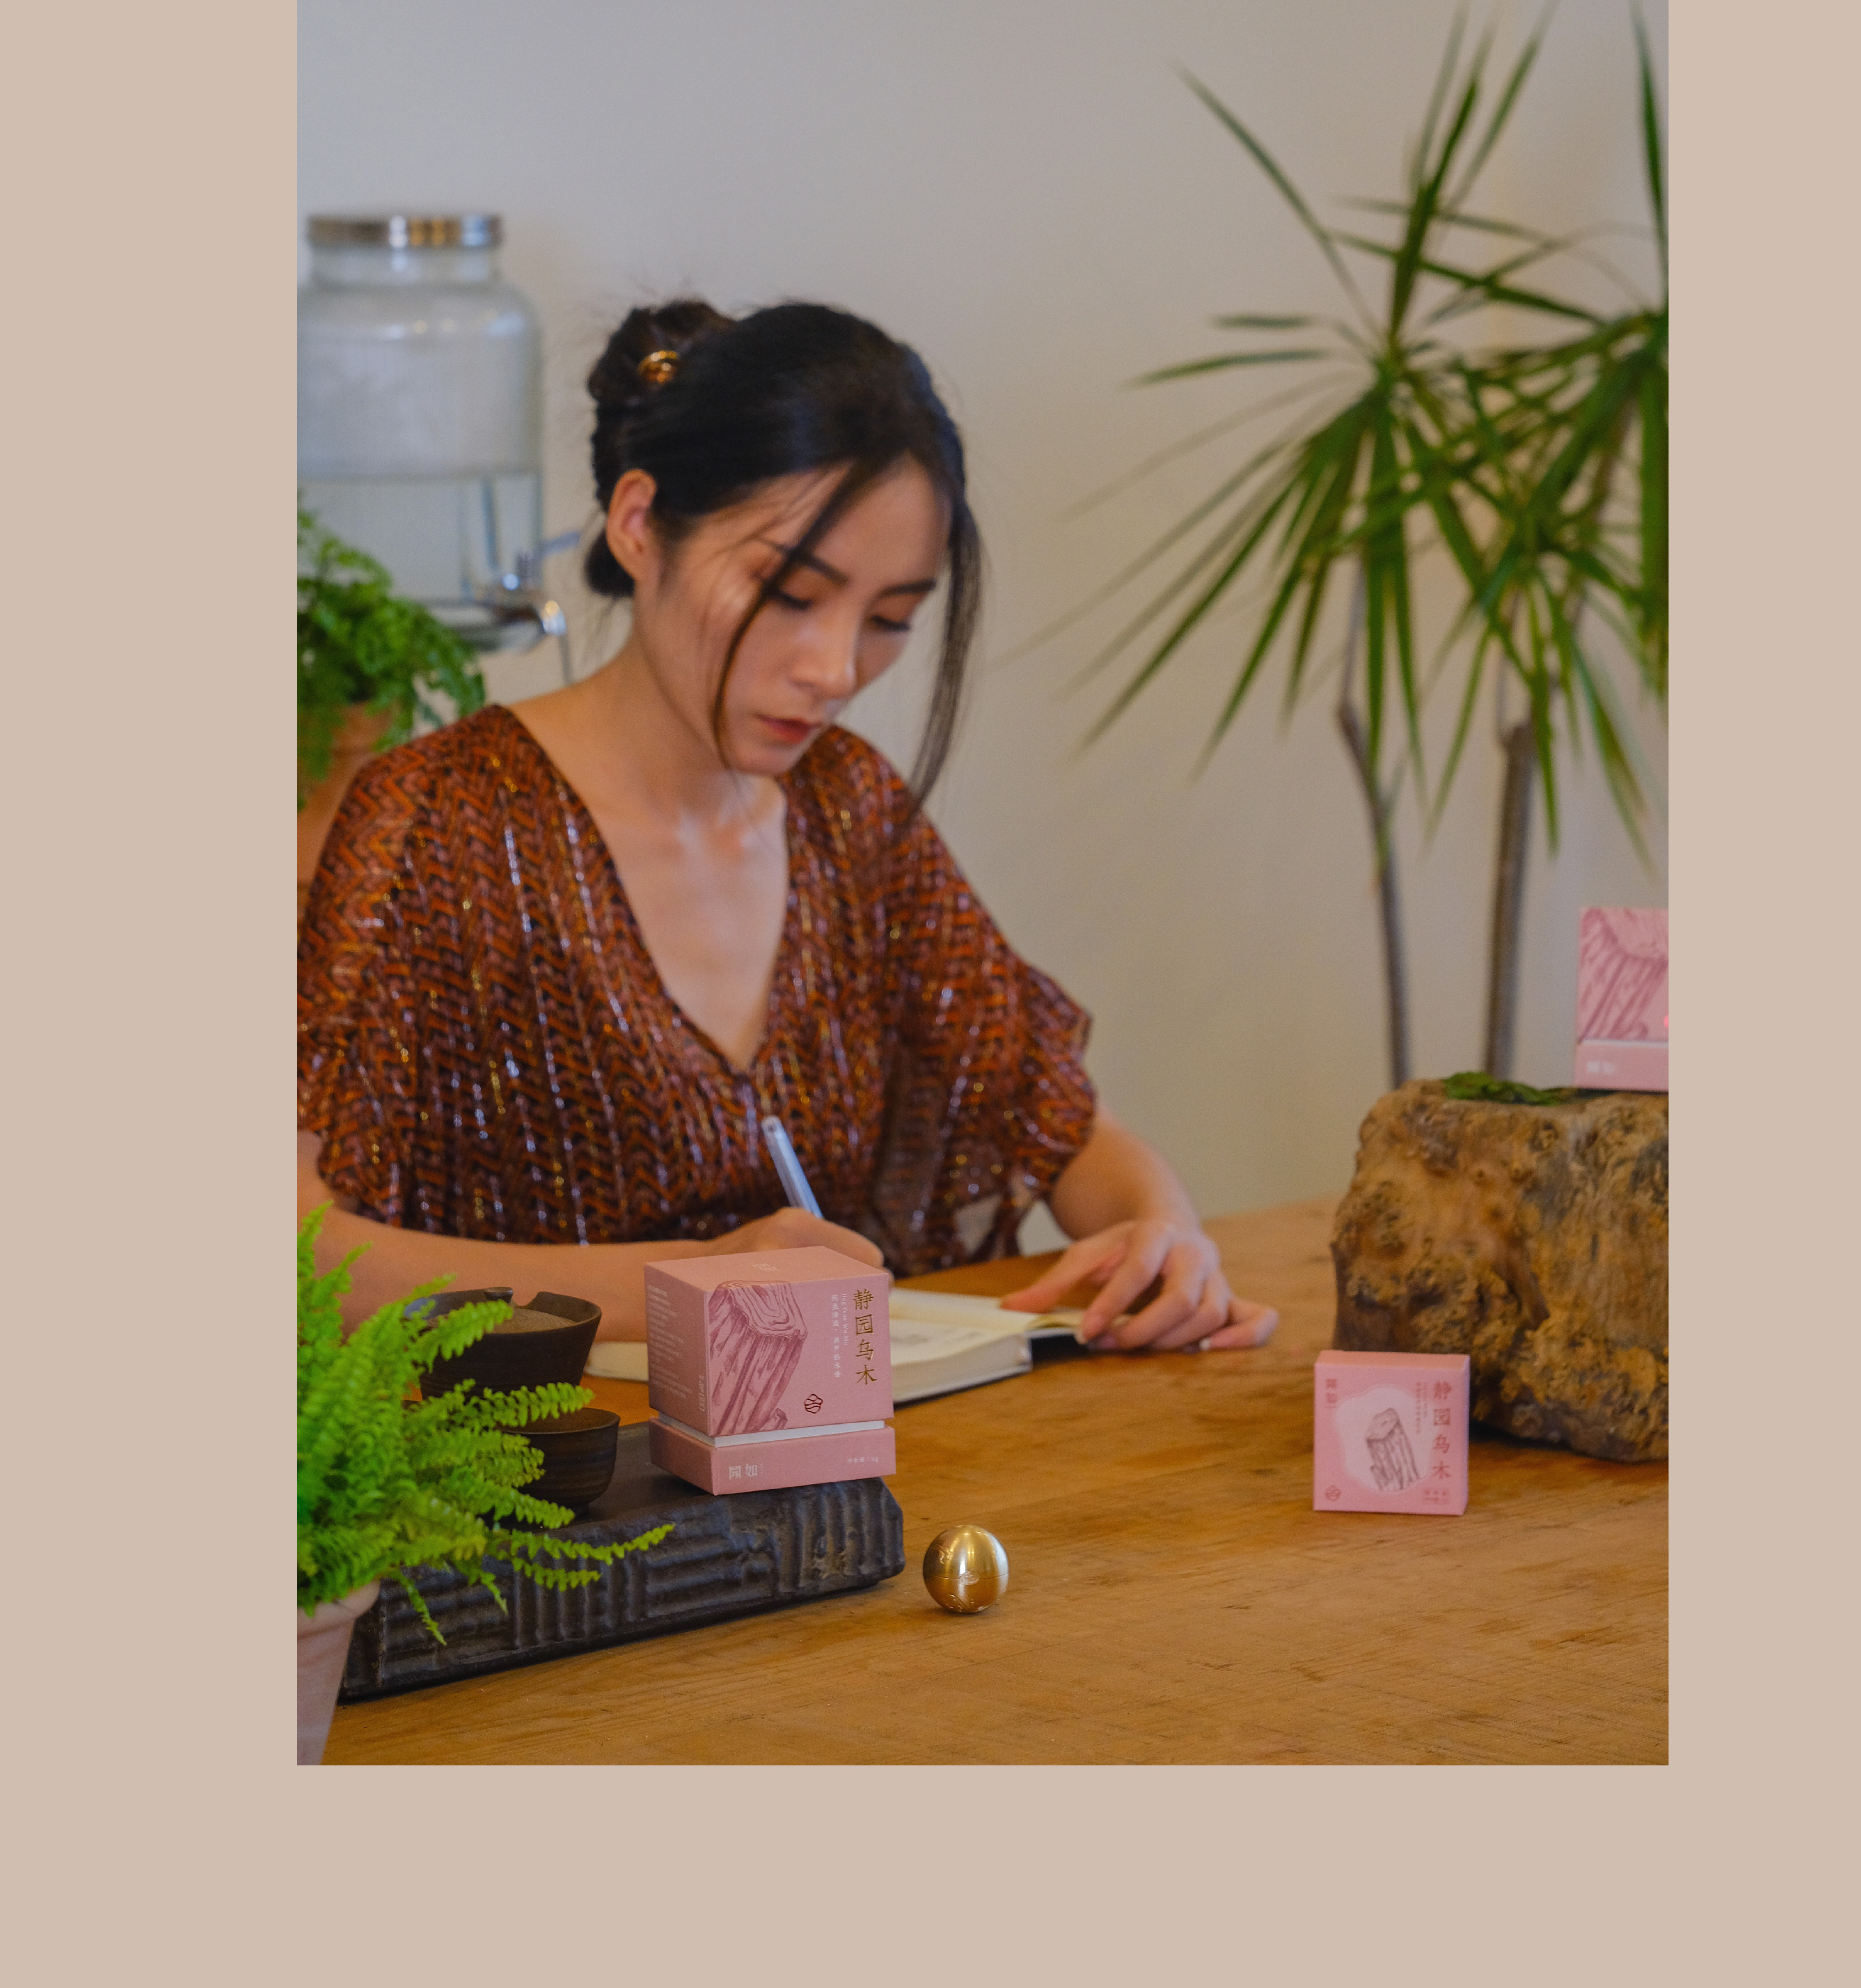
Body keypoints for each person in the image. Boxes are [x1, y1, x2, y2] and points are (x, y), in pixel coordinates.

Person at [299, 297, 1277, 1357]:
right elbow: (300, 1252)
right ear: (639, 524)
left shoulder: (847, 808)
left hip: (843, 1449)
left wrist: (1159, 1231)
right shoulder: (434, 823)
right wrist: (682, 1284)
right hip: (536, 1454)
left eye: (890, 618)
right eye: (789, 592)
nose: (835, 668)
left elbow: (1057, 1119)